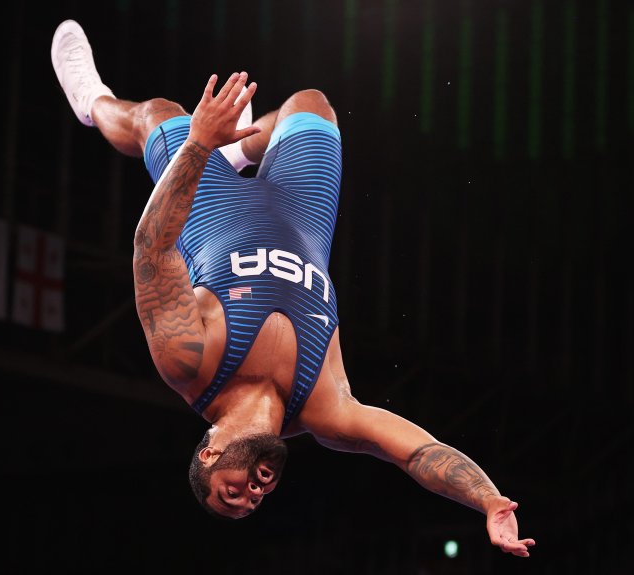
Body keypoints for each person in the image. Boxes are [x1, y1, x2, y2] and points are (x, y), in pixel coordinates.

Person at [50, 19, 535, 557]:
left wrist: (199, 146)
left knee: (160, 115)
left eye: (232, 494)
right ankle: (240, 150)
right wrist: (488, 501)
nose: (252, 496)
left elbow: (151, 250)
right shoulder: (325, 407)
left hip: (210, 210)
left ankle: (93, 101)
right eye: (254, 503)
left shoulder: (189, 363)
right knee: (312, 103)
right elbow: (418, 452)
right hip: (303, 214)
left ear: (210, 454)